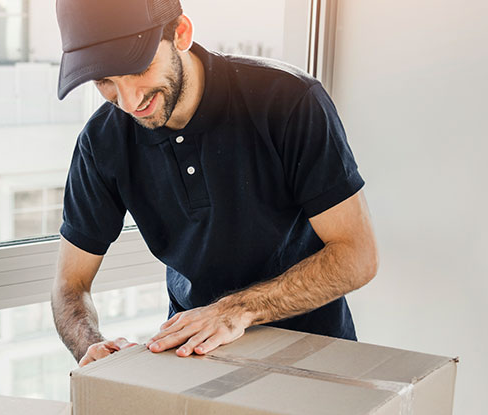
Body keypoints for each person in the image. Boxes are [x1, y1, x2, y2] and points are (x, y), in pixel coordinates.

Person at [50, 0, 379, 367]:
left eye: (139, 66)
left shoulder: (289, 100)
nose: (128, 101)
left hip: (313, 354)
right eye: (104, 80)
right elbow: (70, 286)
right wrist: (90, 346)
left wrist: (237, 309)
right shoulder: (101, 141)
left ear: (182, 34)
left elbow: (357, 256)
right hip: (197, 360)